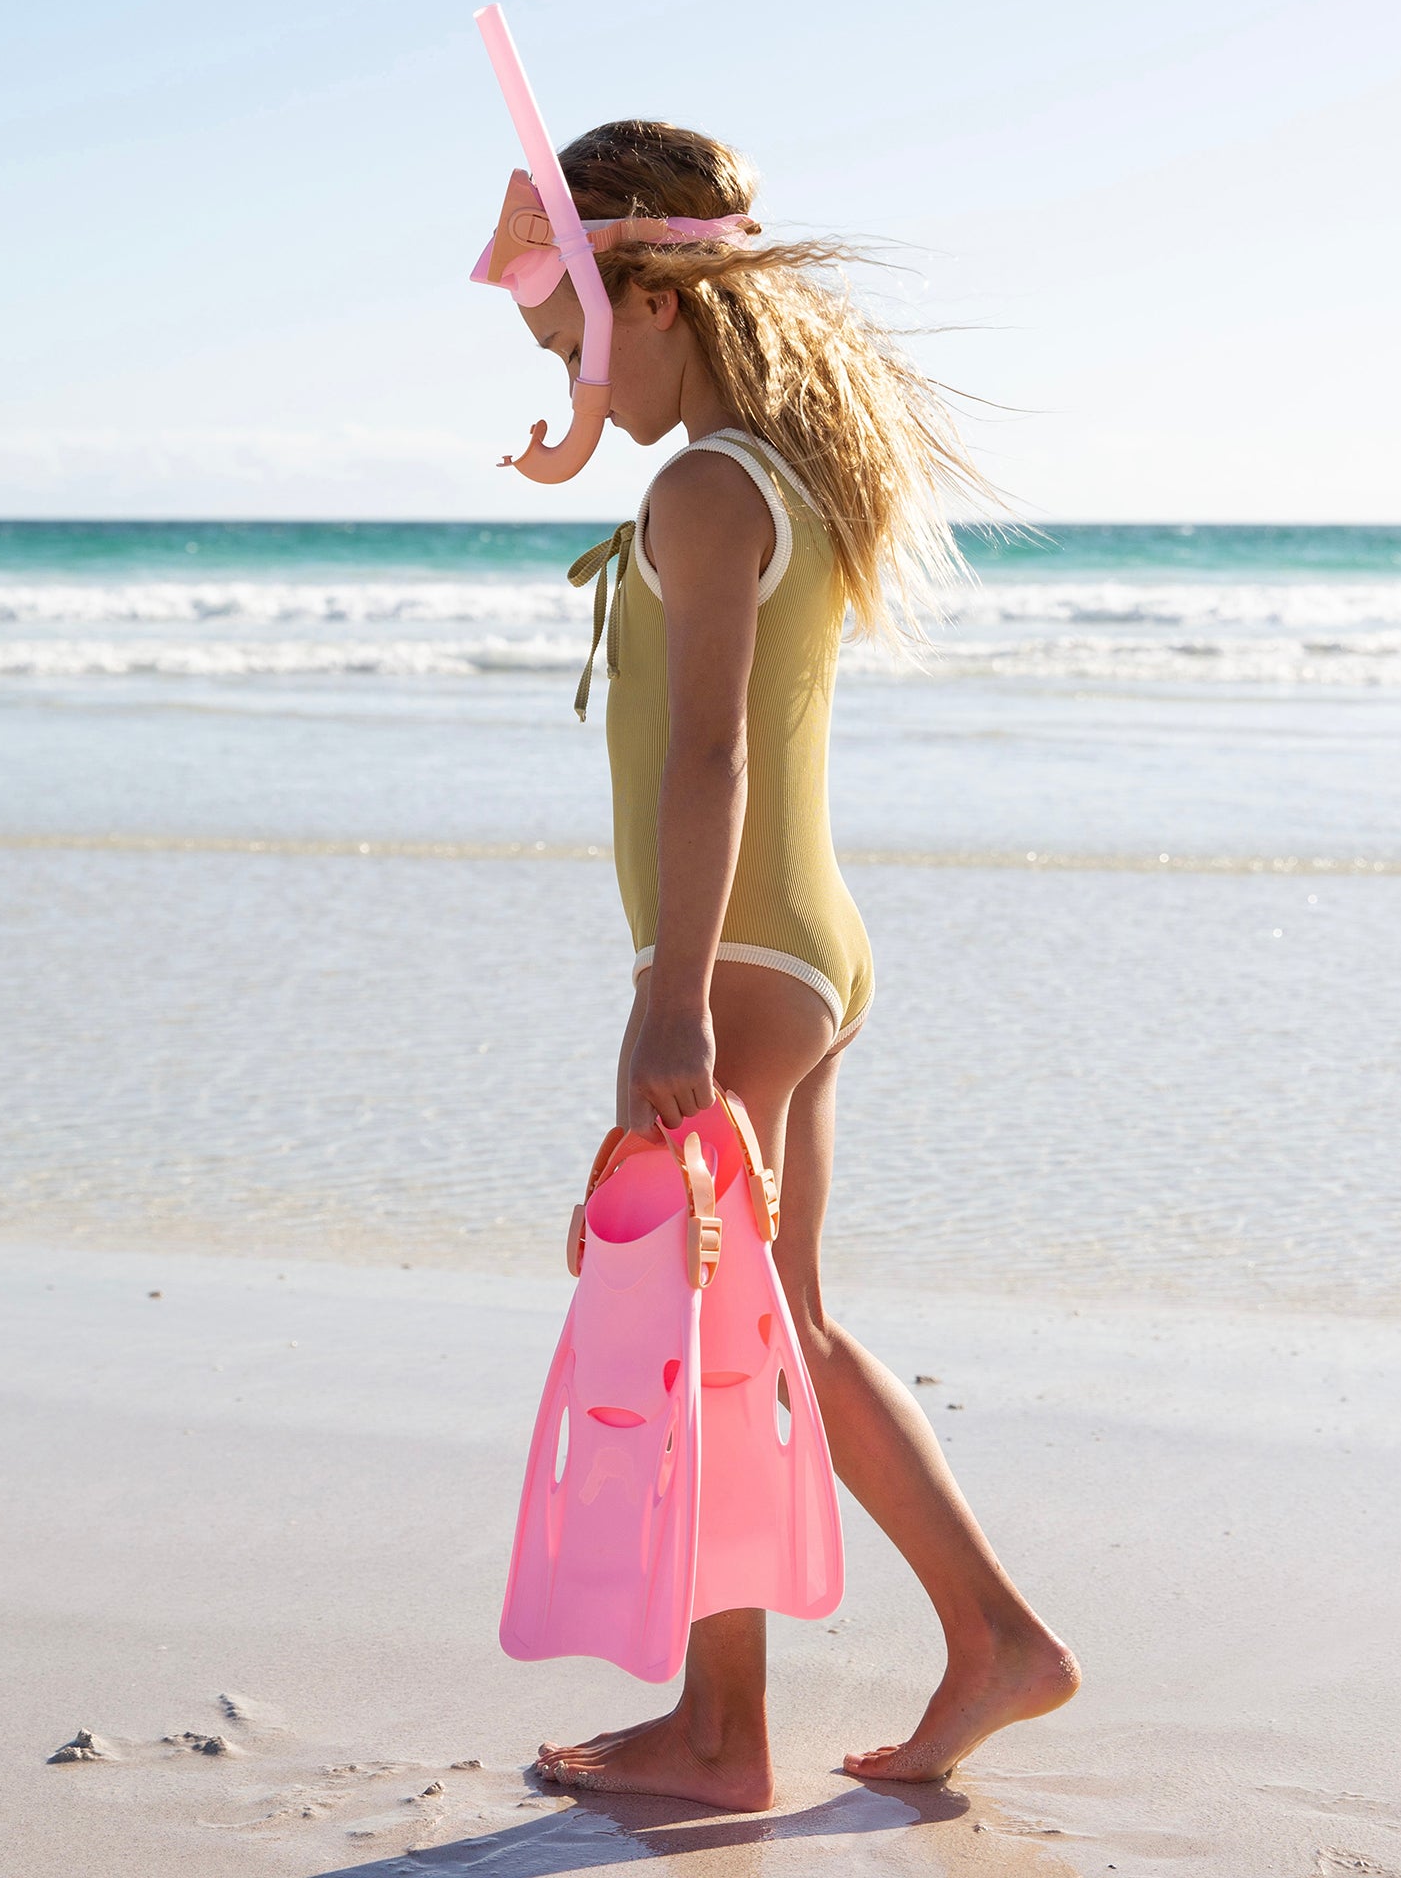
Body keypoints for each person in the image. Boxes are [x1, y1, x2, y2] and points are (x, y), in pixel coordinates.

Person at [513, 119, 1079, 1811]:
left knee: (690, 1334)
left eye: (570, 335)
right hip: (810, 949)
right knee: (791, 1326)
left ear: (653, 302)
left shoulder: (702, 488)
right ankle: (997, 1641)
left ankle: (719, 1731)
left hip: (742, 960)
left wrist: (668, 997)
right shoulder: (772, 472)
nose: (562, 371)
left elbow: (712, 754)